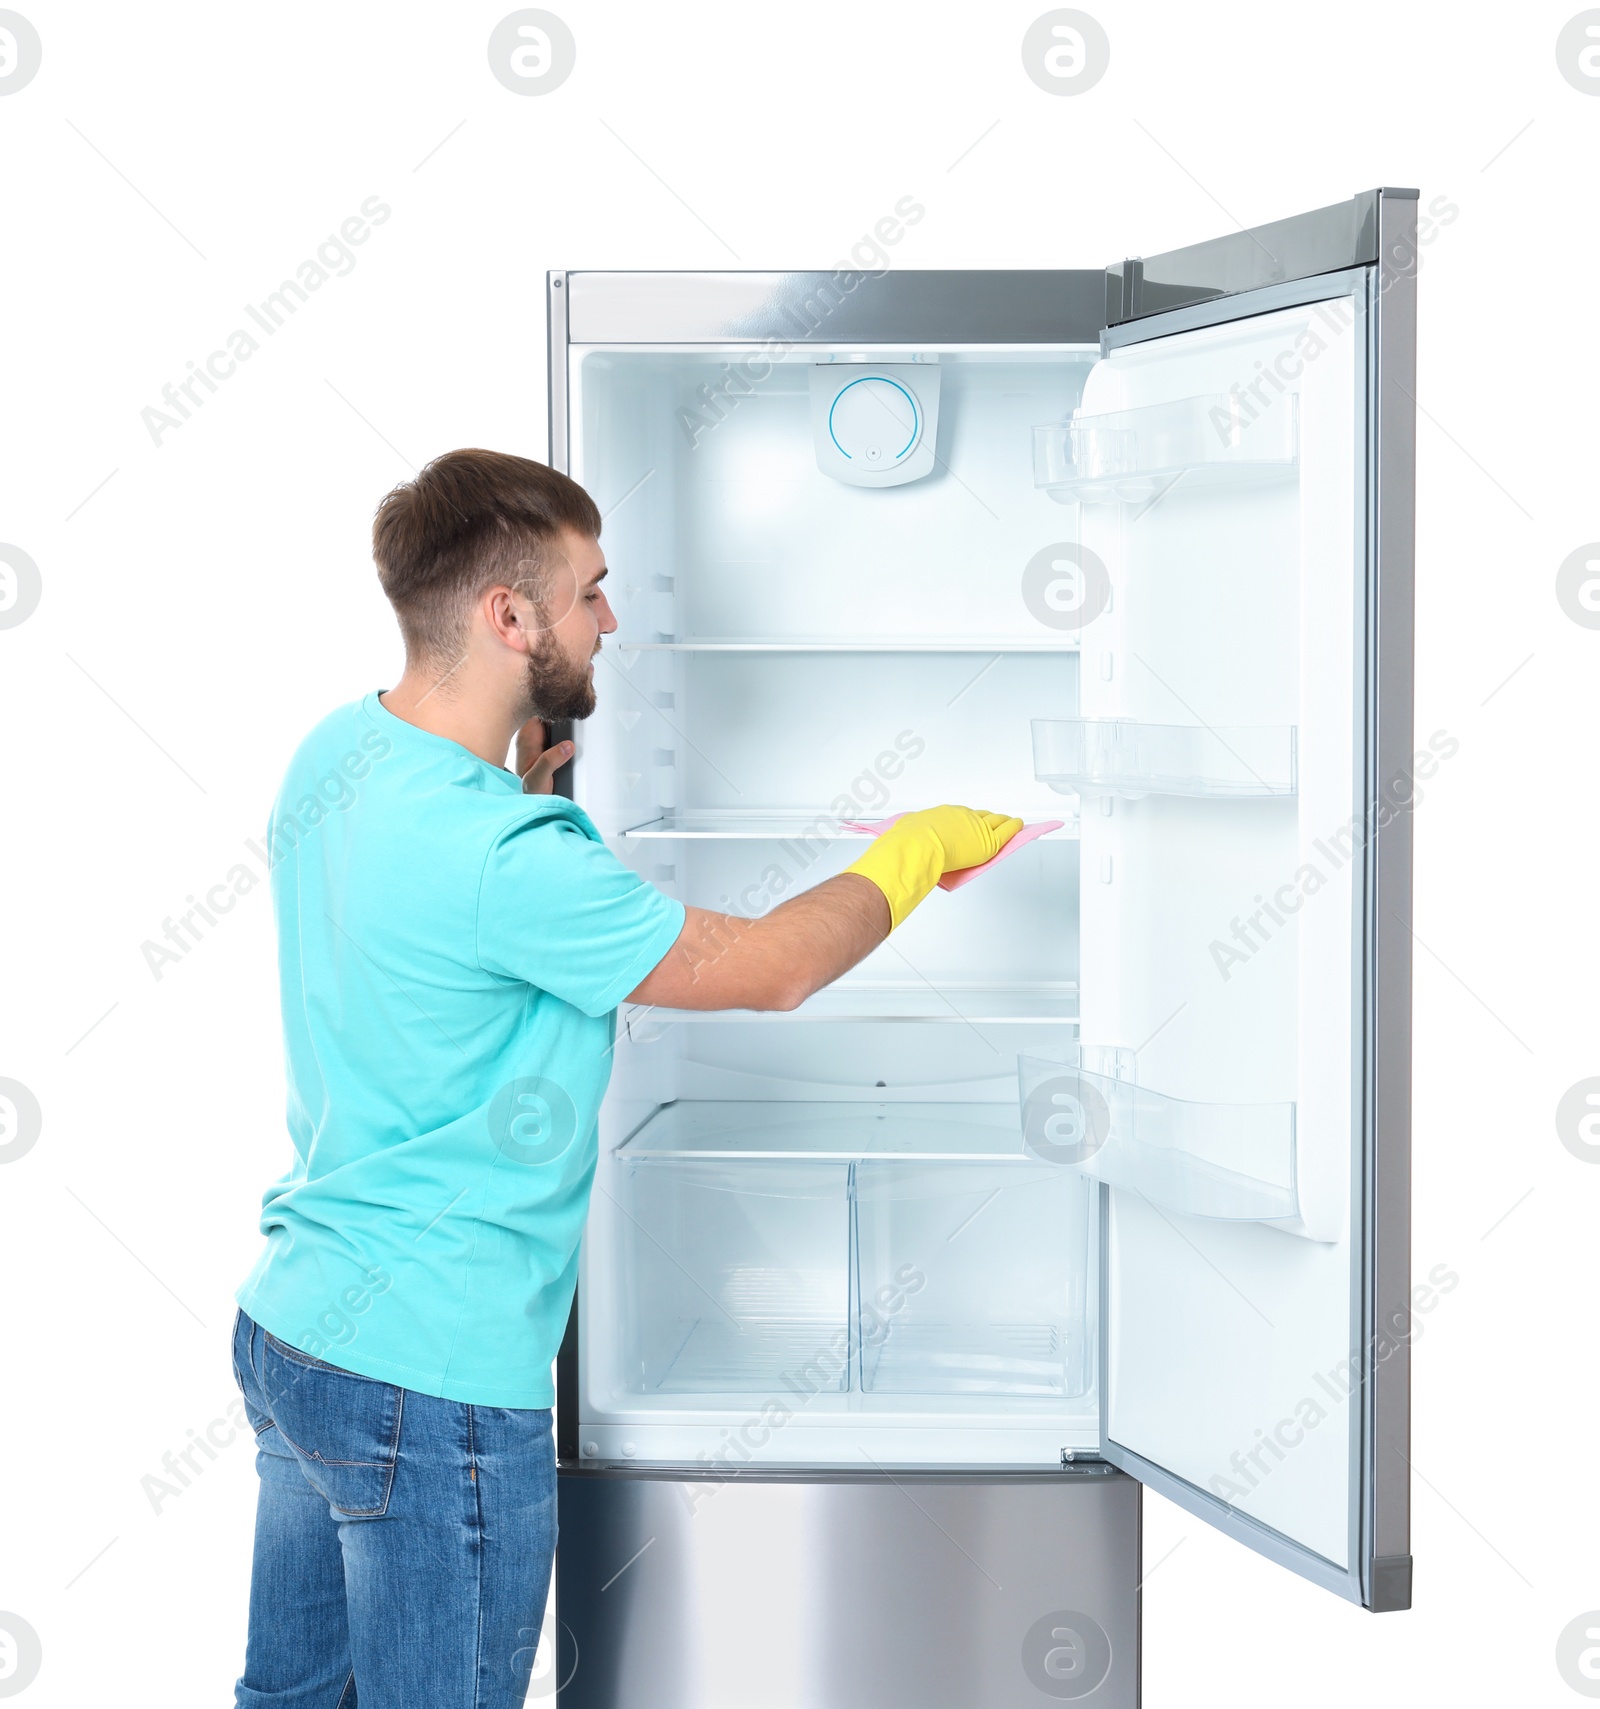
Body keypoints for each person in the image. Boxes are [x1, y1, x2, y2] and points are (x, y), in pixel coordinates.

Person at [229, 448, 1021, 1708]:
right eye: (590, 592)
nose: (612, 619)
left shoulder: (340, 753)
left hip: (299, 1331)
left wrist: (525, 774)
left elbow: (441, 902)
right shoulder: (510, 859)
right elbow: (770, 969)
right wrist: (913, 845)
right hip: (432, 1386)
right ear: (507, 616)